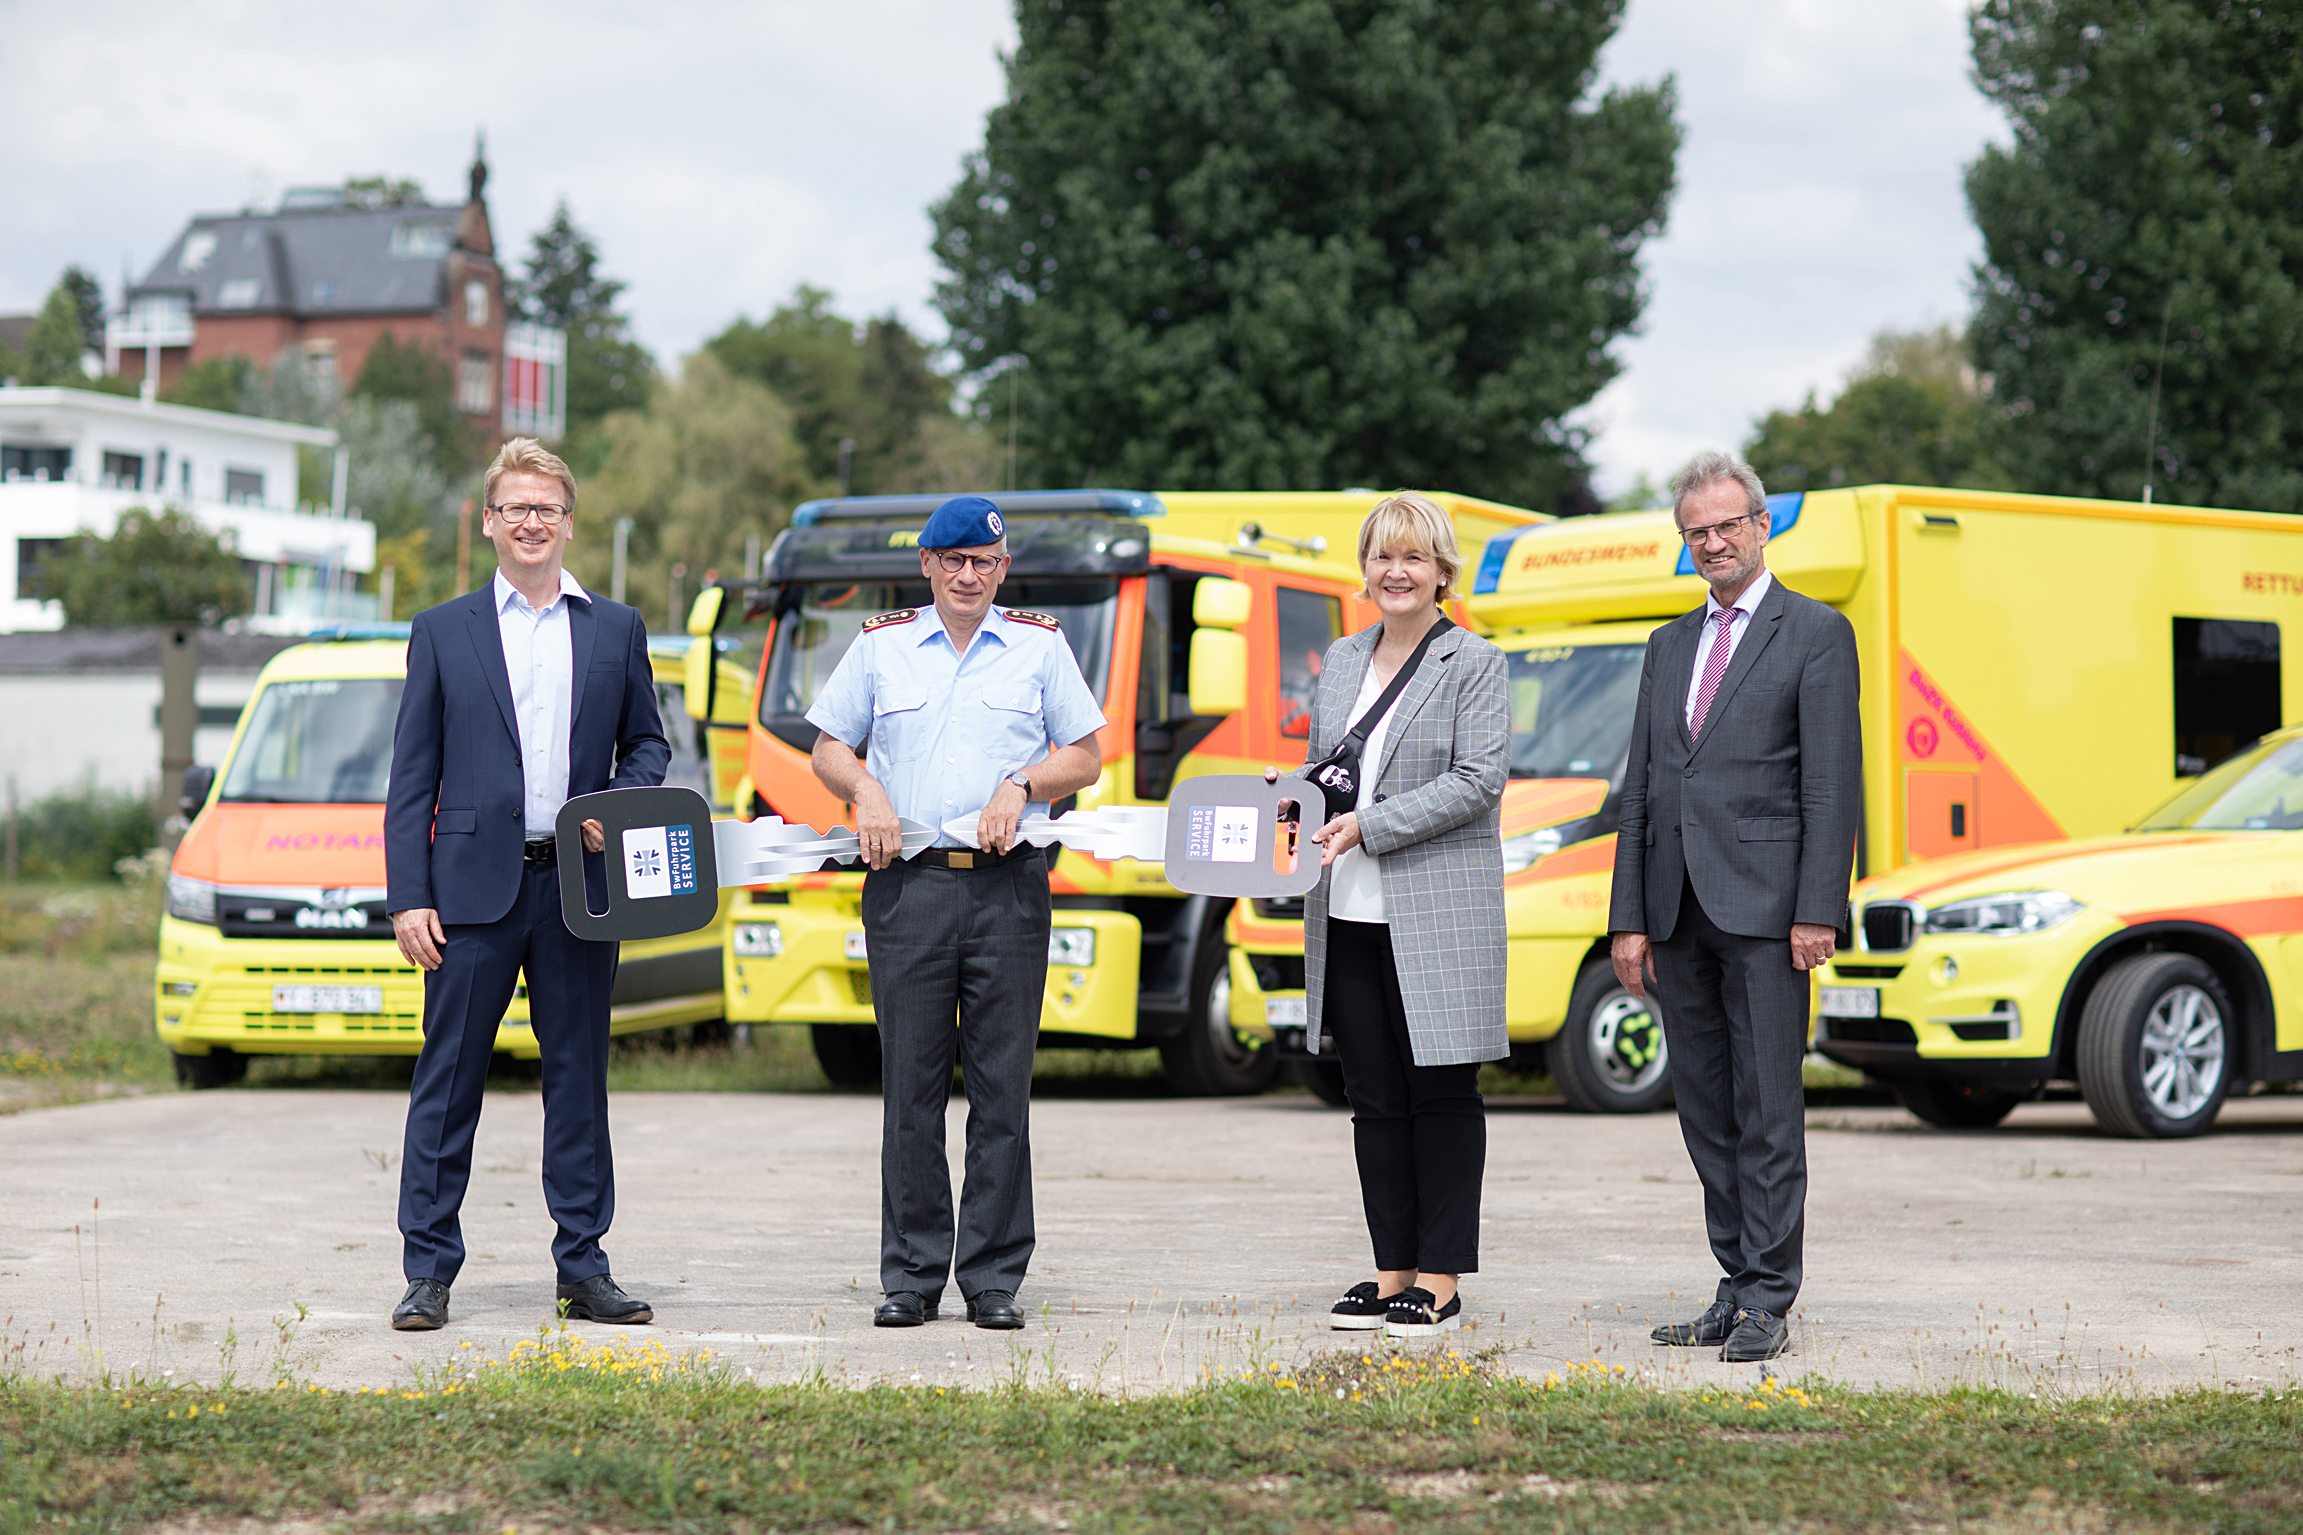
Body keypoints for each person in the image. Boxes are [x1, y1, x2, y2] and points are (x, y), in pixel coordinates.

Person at [384, 438, 669, 1332]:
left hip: (579, 891)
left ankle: (582, 1267)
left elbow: (650, 745)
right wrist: (408, 895)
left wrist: (618, 802)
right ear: (489, 523)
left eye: (547, 508)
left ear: (569, 521)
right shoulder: (442, 629)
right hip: (467, 895)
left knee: (578, 1080)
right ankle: (428, 1271)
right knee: (449, 1081)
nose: (532, 522)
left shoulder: (616, 628)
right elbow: (410, 779)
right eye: (515, 508)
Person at [804, 494, 1105, 1332]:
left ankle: (993, 1277)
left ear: (1003, 570)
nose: (969, 575)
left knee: (1003, 1089)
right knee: (910, 1089)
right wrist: (862, 786)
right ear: (927, 567)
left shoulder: (1039, 649)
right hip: (910, 887)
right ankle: (909, 1275)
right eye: (954, 561)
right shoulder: (881, 647)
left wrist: (1025, 783)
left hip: (1008, 887)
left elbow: (1084, 752)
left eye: (985, 562)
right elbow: (828, 742)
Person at [1608, 451, 1860, 1363]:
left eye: (1725, 525)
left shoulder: (1816, 632)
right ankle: (1733, 1279)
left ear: (1761, 525)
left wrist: (1816, 908)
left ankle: (1769, 1293)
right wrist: (1626, 915)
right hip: (1674, 911)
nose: (1712, 542)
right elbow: (1640, 786)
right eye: (1695, 531)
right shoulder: (1667, 644)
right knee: (1705, 1109)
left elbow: (1831, 785)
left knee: (1766, 1109)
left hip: (1765, 912)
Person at [1297, 491, 1511, 1340]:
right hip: (1345, 908)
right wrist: (1288, 810)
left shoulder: (1475, 662)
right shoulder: (1341, 660)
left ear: (1441, 571)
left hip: (1437, 912)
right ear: (1364, 570)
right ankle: (1391, 1273)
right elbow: (1325, 774)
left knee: (1441, 1092)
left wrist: (1368, 826)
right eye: (1383, 556)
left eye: (1414, 557)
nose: (1396, 571)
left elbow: (1477, 779)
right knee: (1374, 1097)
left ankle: (1441, 1279)